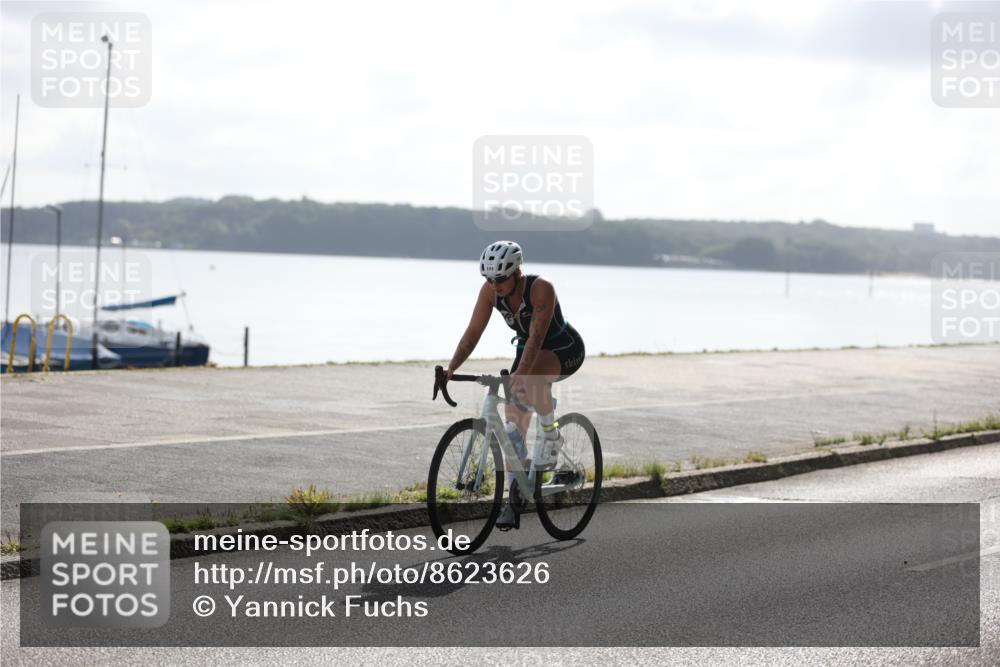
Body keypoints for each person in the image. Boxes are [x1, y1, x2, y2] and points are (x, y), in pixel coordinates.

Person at [446, 240, 585, 529]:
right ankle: (515, 496)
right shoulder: (490, 292)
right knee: (513, 428)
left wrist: (520, 377)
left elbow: (536, 340)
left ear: (516, 272)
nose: (494, 285)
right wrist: (451, 368)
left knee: (531, 380)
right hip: (528, 349)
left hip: (563, 347)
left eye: (499, 279)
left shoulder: (541, 287)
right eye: (488, 279)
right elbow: (472, 332)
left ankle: (551, 437)